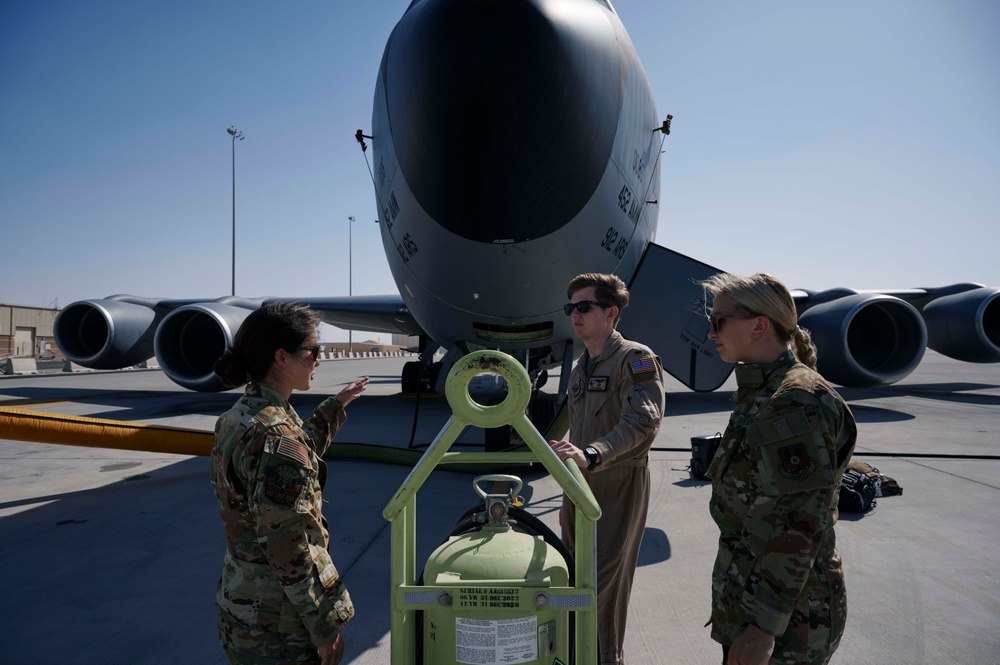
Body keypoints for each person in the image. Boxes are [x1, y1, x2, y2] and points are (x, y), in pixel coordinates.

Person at [700, 273, 857, 665]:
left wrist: (762, 630)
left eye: (717, 322)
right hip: (758, 603)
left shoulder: (794, 401)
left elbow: (797, 523)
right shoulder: (764, 392)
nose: (709, 334)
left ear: (759, 325)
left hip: (789, 622)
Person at [210, 302, 369, 665]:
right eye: (313, 350)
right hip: (279, 624)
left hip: (243, 604)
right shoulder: (275, 434)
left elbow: (296, 447)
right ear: (281, 357)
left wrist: (337, 405)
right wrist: (324, 629)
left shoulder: (239, 416)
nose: (318, 359)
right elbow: (288, 547)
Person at [548, 272, 665, 665]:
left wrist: (594, 454)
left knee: (604, 585)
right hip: (578, 484)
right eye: (571, 308)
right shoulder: (581, 365)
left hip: (617, 481)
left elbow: (642, 421)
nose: (575, 315)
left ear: (611, 312)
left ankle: (606, 658)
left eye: (584, 307)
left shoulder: (635, 358)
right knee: (574, 575)